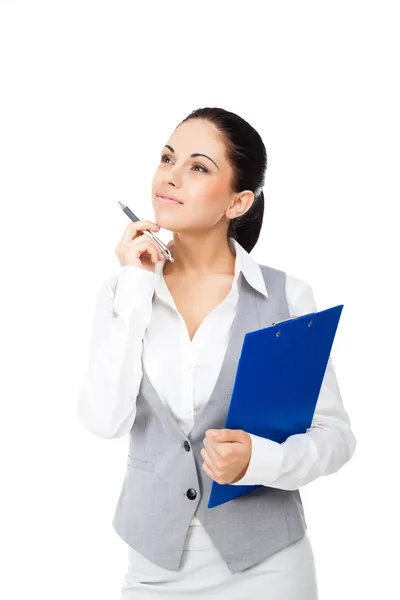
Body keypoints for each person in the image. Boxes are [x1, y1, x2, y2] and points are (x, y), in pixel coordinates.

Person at [77, 107, 357, 599]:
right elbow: (104, 421)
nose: (171, 176)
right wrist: (135, 287)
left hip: (268, 568)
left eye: (198, 166)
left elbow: (335, 437)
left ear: (238, 201)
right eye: (167, 158)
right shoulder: (122, 292)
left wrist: (260, 461)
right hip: (153, 571)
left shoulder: (287, 297)